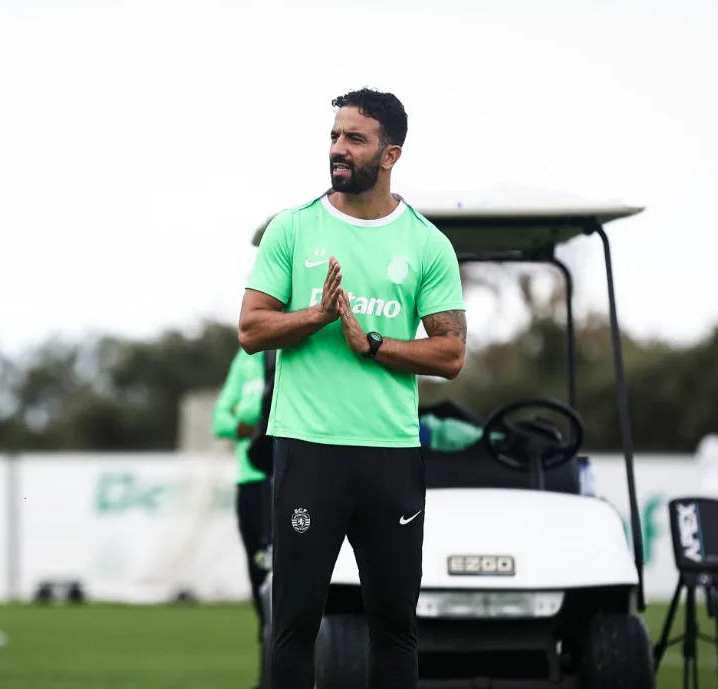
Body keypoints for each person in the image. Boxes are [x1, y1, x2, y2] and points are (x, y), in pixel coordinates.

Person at [239, 88, 468, 689]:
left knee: (394, 628)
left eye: (355, 139)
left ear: (390, 154)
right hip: (308, 449)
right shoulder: (292, 229)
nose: (339, 150)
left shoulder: (426, 243)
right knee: (293, 626)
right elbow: (250, 329)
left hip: (390, 455)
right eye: (335, 136)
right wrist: (312, 318)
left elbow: (450, 353)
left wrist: (372, 344)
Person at [211, 344, 270, 689]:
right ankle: (268, 677)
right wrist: (248, 424)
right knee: (259, 582)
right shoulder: (245, 357)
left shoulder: (293, 351)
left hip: (289, 484)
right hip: (251, 486)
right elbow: (220, 420)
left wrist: (252, 417)